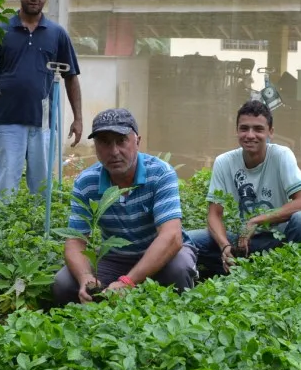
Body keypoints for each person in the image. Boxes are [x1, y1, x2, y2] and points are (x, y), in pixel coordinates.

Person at [53, 108, 197, 305]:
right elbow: (75, 241)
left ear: (137, 141)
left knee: (179, 269)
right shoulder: (86, 182)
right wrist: (85, 277)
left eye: (121, 141)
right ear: (95, 146)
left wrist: (128, 281)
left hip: (161, 255)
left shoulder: (161, 173)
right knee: (64, 283)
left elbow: (171, 237)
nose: (113, 152)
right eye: (104, 142)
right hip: (115, 258)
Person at [0, 0, 82, 201]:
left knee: (42, 188)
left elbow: (71, 76)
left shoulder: (57, 34)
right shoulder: (0, 31)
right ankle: (1, 230)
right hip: (7, 119)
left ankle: (38, 232)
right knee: (5, 185)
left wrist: (78, 118)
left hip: (43, 122)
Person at [187, 99, 301, 276]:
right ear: (237, 131)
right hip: (239, 240)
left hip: (277, 240)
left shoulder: (281, 155)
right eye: (244, 128)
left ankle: (288, 271)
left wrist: (255, 221)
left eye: (258, 129)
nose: (250, 135)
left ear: (270, 132)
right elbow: (214, 215)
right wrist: (224, 245)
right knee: (184, 240)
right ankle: (235, 262)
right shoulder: (224, 162)